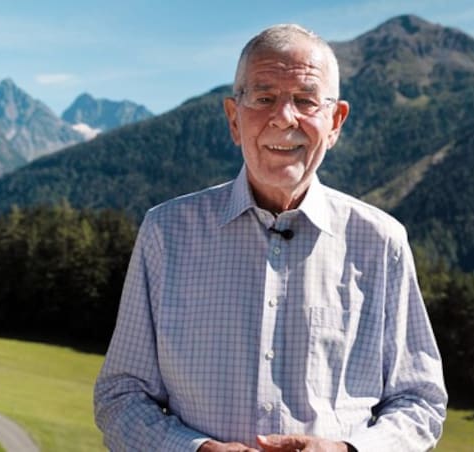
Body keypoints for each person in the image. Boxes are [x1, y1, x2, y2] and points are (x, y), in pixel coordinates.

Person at [94, 23, 447, 451]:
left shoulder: (382, 242)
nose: (284, 118)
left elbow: (420, 402)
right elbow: (121, 397)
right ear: (233, 118)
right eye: (264, 98)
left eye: (305, 101)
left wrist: (348, 451)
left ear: (335, 122)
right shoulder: (165, 233)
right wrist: (194, 450)